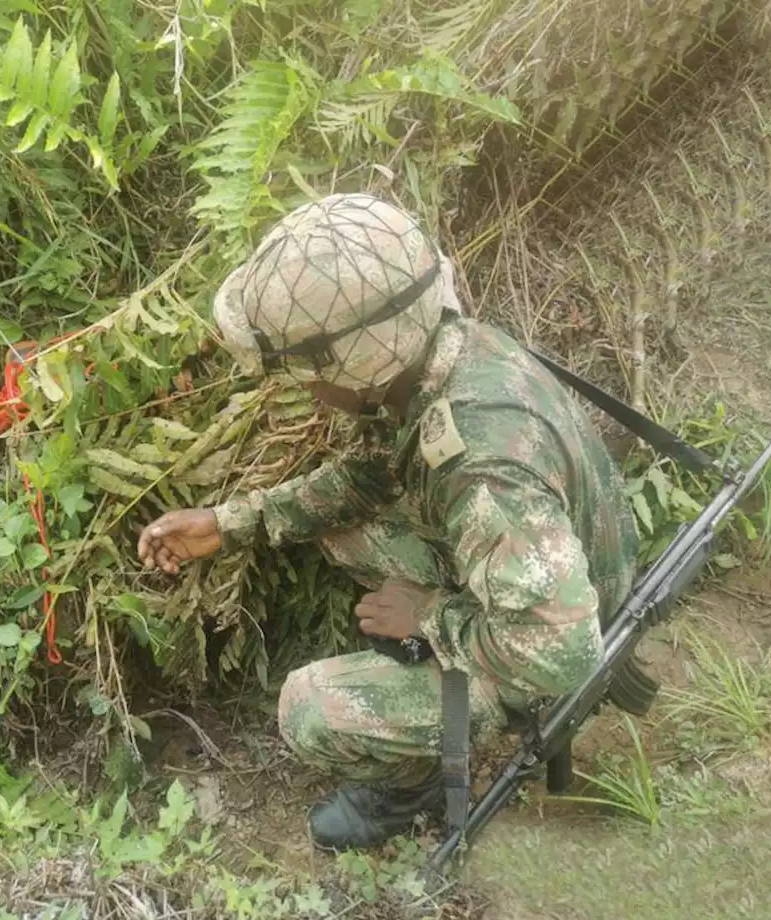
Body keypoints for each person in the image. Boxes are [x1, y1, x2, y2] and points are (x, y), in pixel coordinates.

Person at [136, 194, 639, 851]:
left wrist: (429, 615)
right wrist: (231, 522)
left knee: (310, 708)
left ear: (348, 366)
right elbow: (368, 476)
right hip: (554, 570)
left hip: (557, 643)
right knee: (347, 529)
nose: (298, 386)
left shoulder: (481, 468)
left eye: (299, 369)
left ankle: (412, 788)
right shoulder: (443, 355)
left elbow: (563, 656)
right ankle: (429, 685)